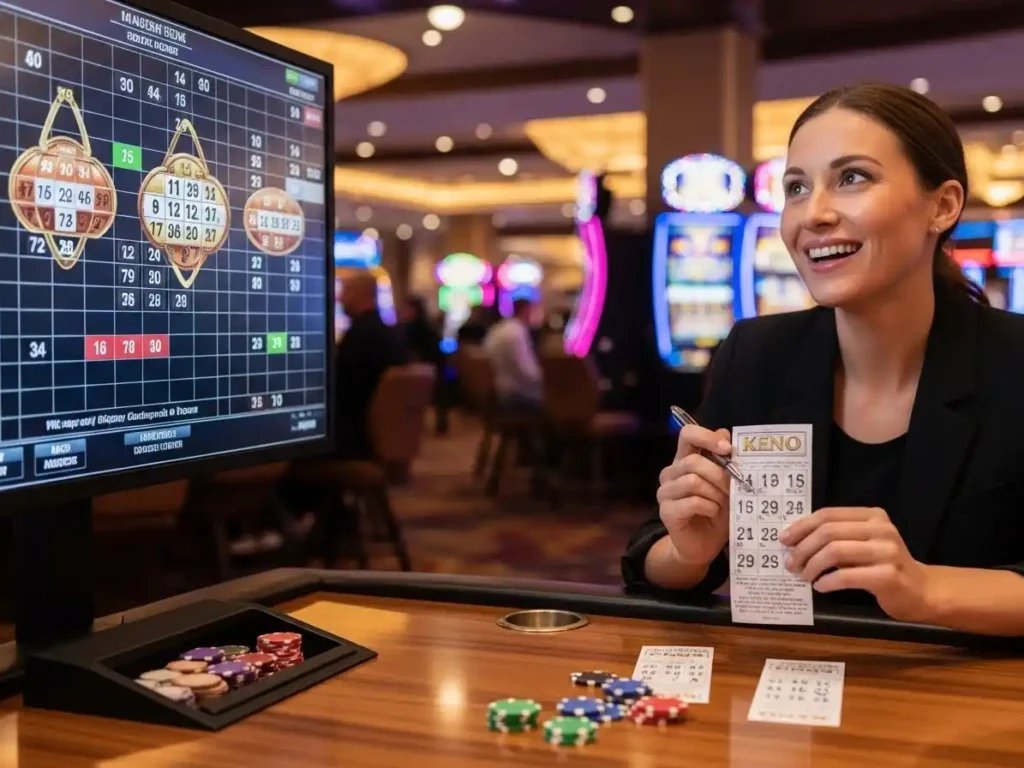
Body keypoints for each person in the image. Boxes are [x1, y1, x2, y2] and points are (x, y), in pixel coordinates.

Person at [623, 83, 1024, 636]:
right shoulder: (758, 354)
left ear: (943, 205)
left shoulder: (1013, 361)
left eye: (852, 178)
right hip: (791, 693)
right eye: (796, 187)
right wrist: (690, 550)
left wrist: (925, 588)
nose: (813, 214)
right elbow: (655, 563)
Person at [334, 271, 408, 459]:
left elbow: (340, 388)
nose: (340, 298)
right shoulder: (385, 332)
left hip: (356, 436)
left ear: (361, 295)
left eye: (345, 292)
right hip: (377, 431)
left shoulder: (361, 336)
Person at [483, 297, 543, 412]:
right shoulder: (516, 333)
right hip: (516, 394)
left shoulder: (497, 329)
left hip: (501, 390)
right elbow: (528, 372)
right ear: (527, 311)